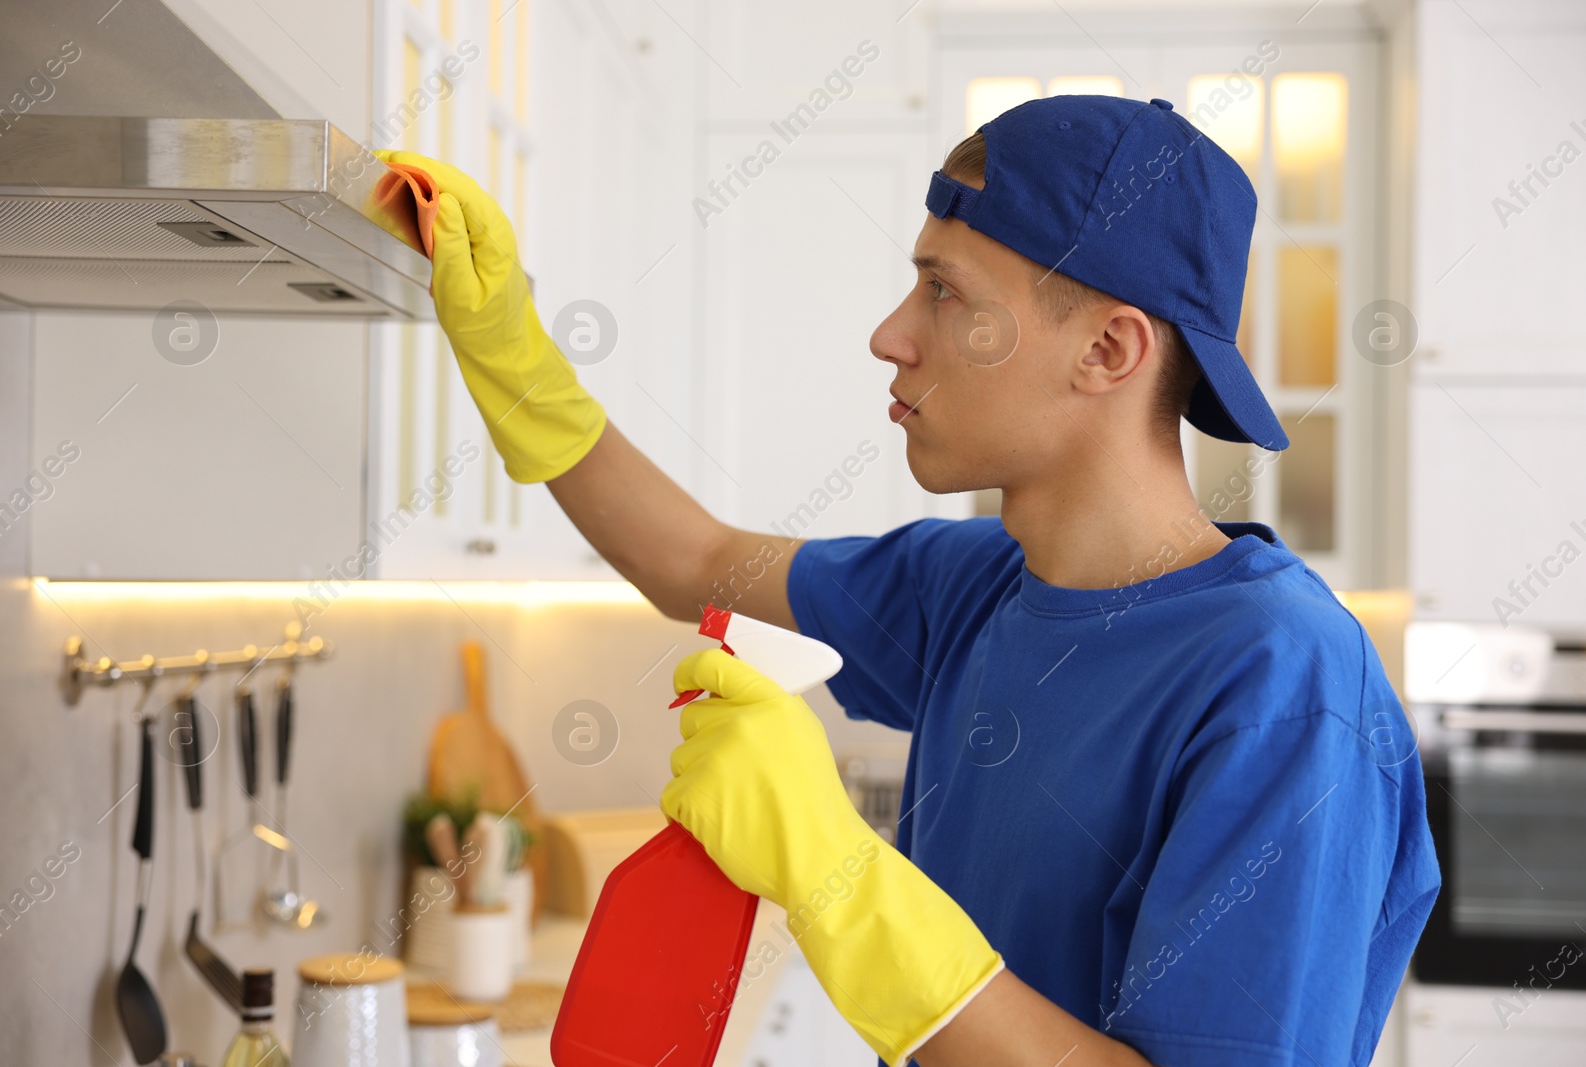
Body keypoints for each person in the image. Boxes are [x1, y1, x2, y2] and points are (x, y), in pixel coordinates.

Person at [381, 93, 1439, 1067]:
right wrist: (513, 354)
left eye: (944, 293)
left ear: (1109, 350)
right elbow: (693, 560)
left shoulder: (1284, 686)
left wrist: (836, 872)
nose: (890, 335)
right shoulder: (972, 586)